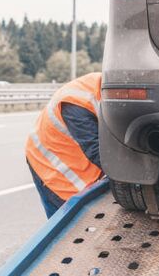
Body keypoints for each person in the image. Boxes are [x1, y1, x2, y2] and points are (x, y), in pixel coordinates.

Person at [25, 72, 103, 218]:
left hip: (75, 157)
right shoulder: (76, 103)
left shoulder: (103, 86)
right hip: (51, 166)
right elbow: (96, 152)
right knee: (67, 226)